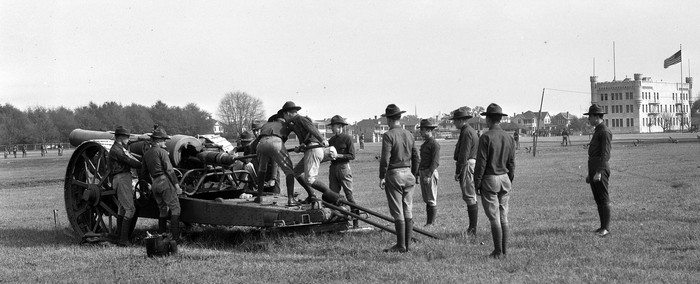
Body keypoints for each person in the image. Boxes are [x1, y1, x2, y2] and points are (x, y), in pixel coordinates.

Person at [473, 103, 515, 259]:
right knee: (504, 216)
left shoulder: (485, 137)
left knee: (494, 217)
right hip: (504, 178)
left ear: (488, 119)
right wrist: (509, 179)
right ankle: (504, 250)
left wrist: (477, 183)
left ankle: (498, 251)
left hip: (490, 179)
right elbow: (512, 163)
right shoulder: (509, 137)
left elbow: (481, 163)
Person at [378, 104, 419, 253]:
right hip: (408, 173)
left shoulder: (389, 135)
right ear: (399, 118)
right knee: (408, 209)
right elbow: (416, 156)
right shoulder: (409, 134)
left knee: (397, 211)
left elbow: (385, 159)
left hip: (395, 174)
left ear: (389, 119)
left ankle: (401, 245)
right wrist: (414, 173)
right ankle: (407, 245)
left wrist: (382, 176)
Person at [278, 101, 332, 203]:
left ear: (288, 113)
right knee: (296, 172)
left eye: (284, 115)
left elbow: (311, 128)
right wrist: (301, 146)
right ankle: (312, 195)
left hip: (313, 148)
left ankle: (333, 196)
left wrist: (322, 139)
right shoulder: (295, 122)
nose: (284, 118)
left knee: (310, 179)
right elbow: (305, 137)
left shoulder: (300, 119)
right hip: (309, 148)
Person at [142, 128, 183, 242]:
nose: (165, 142)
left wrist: (150, 184)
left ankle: (162, 236)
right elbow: (169, 170)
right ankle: (175, 238)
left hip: (155, 183)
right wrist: (177, 186)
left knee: (162, 210)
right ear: (158, 140)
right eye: (164, 140)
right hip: (164, 181)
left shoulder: (146, 154)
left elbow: (144, 173)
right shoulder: (162, 152)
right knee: (175, 209)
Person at [108, 126, 142, 246]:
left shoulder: (119, 148)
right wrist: (143, 165)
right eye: (127, 137)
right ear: (121, 137)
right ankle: (123, 240)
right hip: (122, 178)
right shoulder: (117, 150)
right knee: (130, 208)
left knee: (122, 208)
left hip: (121, 178)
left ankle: (120, 237)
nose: (128, 139)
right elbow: (129, 160)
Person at [255, 114, 297, 205]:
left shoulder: (266, 125)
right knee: (289, 170)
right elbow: (282, 140)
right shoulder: (284, 124)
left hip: (261, 143)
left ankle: (259, 196)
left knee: (262, 169)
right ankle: (291, 199)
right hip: (275, 141)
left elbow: (257, 140)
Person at [584, 104, 612, 238]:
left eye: (590, 116)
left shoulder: (604, 131)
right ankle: (602, 226)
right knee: (598, 199)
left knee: (603, 198)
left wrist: (599, 172)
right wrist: (591, 174)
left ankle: (606, 228)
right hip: (594, 167)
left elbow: (605, 154)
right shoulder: (598, 130)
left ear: (596, 116)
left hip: (600, 168)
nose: (589, 119)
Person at [451, 108, 480, 237]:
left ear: (461, 120)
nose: (454, 123)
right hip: (470, 163)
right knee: (470, 196)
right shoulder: (468, 131)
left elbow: (464, 154)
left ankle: (472, 229)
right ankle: (472, 227)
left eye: (455, 120)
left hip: (467, 164)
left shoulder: (467, 132)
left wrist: (458, 171)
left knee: (469, 196)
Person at [327, 115, 357, 227]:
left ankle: (355, 221)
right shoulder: (332, 140)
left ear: (339, 126)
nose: (332, 129)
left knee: (349, 195)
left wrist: (338, 155)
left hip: (343, 167)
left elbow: (352, 155)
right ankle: (338, 220)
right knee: (333, 195)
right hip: (333, 168)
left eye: (333, 126)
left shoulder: (347, 138)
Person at [417, 119, 440, 226]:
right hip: (423, 172)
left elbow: (435, 162)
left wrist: (429, 175)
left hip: (429, 172)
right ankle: (428, 222)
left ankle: (431, 222)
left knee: (431, 198)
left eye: (422, 129)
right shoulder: (426, 144)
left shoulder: (434, 144)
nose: (420, 132)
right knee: (427, 198)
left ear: (428, 130)